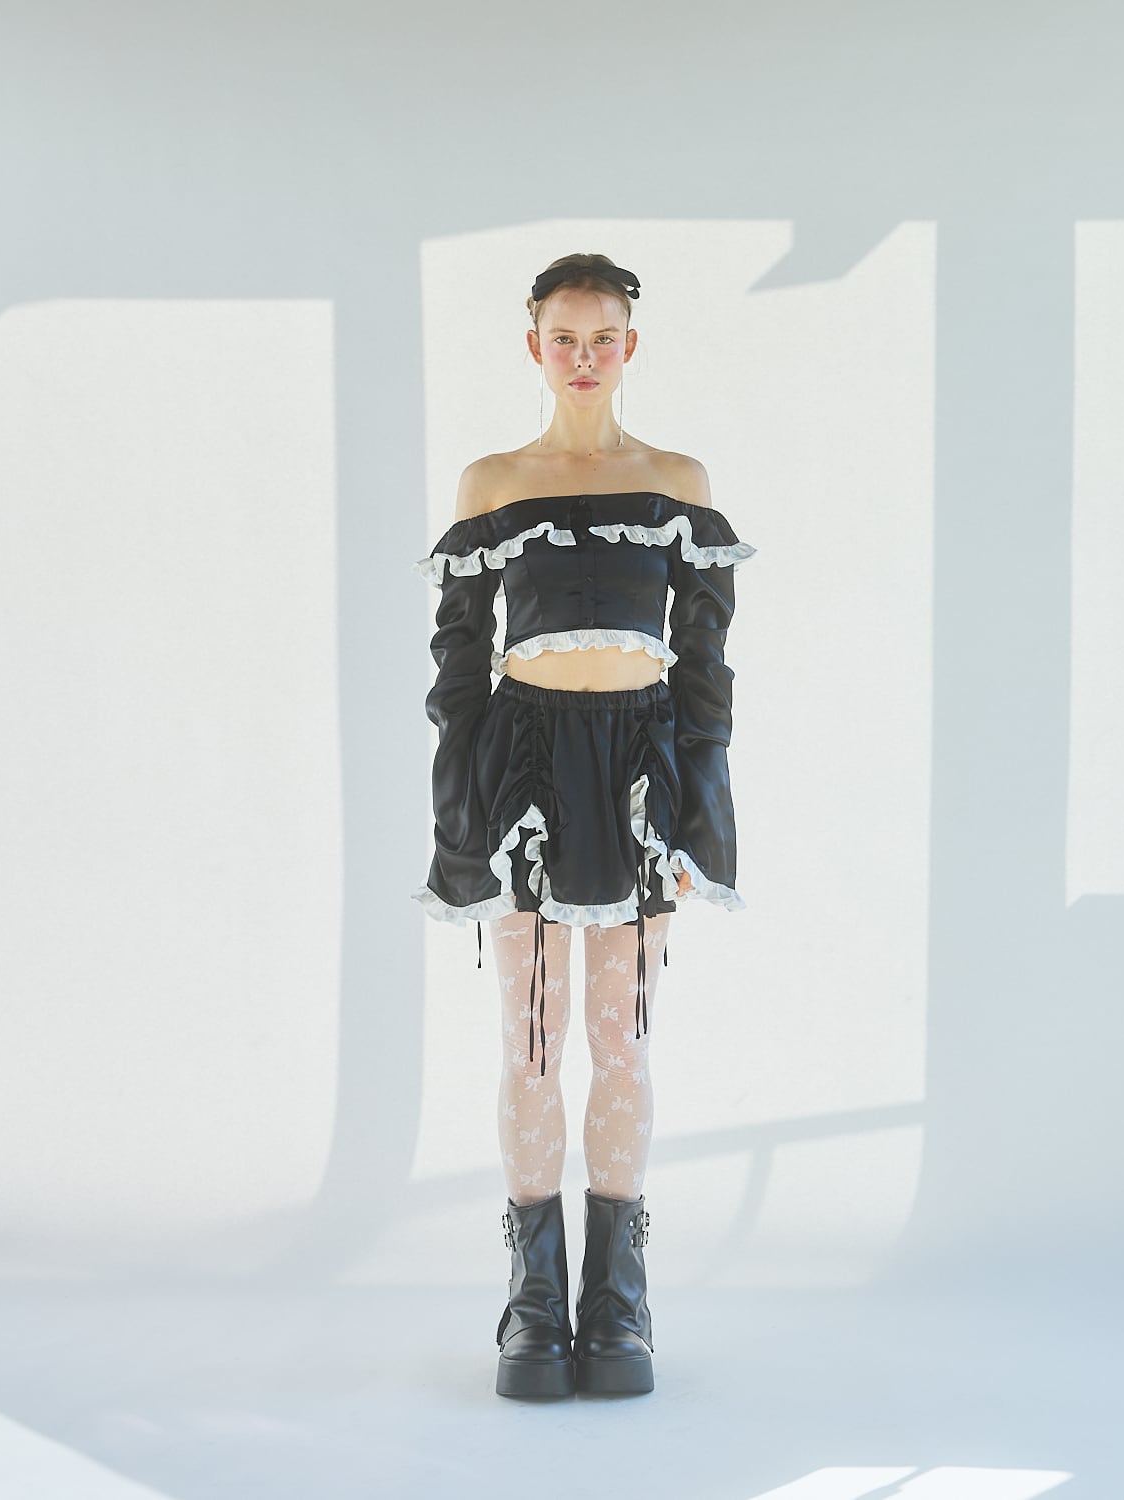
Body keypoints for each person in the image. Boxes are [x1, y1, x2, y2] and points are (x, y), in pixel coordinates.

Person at [410, 253, 757, 1399]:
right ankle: (533, 1302)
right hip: (524, 763)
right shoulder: (493, 483)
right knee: (532, 1039)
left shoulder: (675, 480)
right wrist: (461, 813)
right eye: (564, 337)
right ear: (534, 347)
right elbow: (457, 668)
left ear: (630, 346)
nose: (584, 356)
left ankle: (617, 1304)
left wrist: (700, 811)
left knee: (624, 1037)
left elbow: (705, 672)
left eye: (603, 336)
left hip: (637, 768)